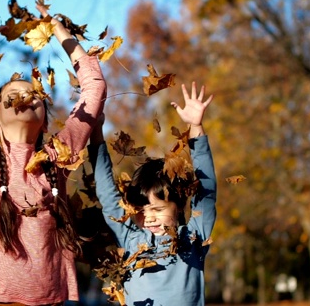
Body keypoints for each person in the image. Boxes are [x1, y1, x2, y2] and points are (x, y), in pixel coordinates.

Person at [0, 4, 107, 306]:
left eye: (33, 95)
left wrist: (58, 29)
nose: (24, 98)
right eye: (12, 96)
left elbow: (94, 89)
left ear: (46, 120)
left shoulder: (58, 155)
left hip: (49, 300)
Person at [88, 81, 216, 306]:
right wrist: (96, 131)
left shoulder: (192, 237)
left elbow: (206, 191)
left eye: (157, 209)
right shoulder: (131, 240)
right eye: (141, 210)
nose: (148, 217)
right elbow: (108, 194)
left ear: (177, 207)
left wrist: (196, 128)